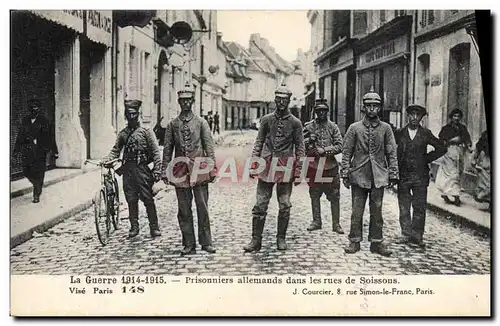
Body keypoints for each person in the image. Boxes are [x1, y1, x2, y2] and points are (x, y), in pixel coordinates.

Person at [243, 84, 305, 252]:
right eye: (278, 99)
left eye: (284, 99)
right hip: (266, 167)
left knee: (284, 204)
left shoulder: (296, 123)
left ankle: (281, 238)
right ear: (274, 100)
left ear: (289, 101)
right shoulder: (266, 120)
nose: (281, 102)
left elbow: (300, 149)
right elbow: (259, 142)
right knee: (260, 204)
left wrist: (298, 172)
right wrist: (254, 164)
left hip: (285, 168)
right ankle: (256, 240)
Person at [341, 87, 398, 257]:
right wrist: (345, 172)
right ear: (363, 108)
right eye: (369, 106)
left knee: (377, 211)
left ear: (380, 108)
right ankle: (354, 241)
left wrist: (393, 173)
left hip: (378, 176)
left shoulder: (386, 128)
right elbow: (346, 152)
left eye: (375, 106)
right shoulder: (354, 128)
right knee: (356, 211)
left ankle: (376, 242)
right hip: (359, 175)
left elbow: (391, 152)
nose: (372, 109)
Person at [161, 83, 217, 256]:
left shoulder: (201, 123)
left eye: (188, 100)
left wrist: (212, 167)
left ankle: (206, 242)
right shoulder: (172, 125)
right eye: (182, 100)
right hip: (180, 172)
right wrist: (164, 170)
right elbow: (167, 149)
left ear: (192, 101)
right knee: (183, 209)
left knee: (202, 207)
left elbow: (209, 147)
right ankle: (188, 243)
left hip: (199, 170)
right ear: (179, 102)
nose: (185, 103)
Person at [102, 99, 162, 238]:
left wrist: (157, 170)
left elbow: (155, 152)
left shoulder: (146, 132)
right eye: (129, 114)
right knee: (131, 199)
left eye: (134, 114)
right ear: (125, 115)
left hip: (142, 170)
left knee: (147, 198)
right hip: (128, 171)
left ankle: (154, 226)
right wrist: (106, 160)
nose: (131, 117)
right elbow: (115, 151)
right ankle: (134, 226)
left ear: (138, 114)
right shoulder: (123, 134)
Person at [394, 104, 446, 247]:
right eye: (412, 115)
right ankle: (405, 233)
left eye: (418, 116)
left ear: (421, 118)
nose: (415, 118)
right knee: (404, 206)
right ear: (408, 116)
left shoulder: (426, 133)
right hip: (403, 175)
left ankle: (417, 235)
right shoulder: (399, 133)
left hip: (420, 176)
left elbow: (441, 148)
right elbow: (390, 149)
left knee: (419, 206)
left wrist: (426, 159)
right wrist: (394, 167)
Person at [303, 98, 344, 234]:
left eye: (324, 111)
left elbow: (340, 145)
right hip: (314, 167)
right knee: (314, 193)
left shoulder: (333, 127)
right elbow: (300, 145)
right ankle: (316, 221)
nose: (321, 114)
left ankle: (336, 223)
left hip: (330, 167)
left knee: (335, 195)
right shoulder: (308, 127)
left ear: (327, 112)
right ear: (315, 112)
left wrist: (325, 150)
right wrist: (310, 140)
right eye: (319, 111)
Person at [13, 98, 58, 203]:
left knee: (39, 173)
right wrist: (16, 151)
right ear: (29, 110)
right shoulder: (25, 120)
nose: (33, 110)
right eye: (31, 108)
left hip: (40, 151)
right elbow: (20, 136)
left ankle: (36, 194)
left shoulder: (44, 121)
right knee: (26, 171)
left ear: (39, 109)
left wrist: (54, 151)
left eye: (35, 108)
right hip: (27, 151)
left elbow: (51, 137)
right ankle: (36, 184)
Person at [434, 109, 473, 206]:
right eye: (454, 116)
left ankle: (446, 193)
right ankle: (456, 197)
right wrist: (451, 140)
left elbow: (467, 139)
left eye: (458, 116)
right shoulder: (446, 128)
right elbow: (441, 141)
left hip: (460, 153)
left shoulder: (462, 128)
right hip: (449, 153)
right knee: (452, 174)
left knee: (458, 173)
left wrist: (468, 146)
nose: (456, 118)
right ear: (451, 117)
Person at [472, 130, 490, 208]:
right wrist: (474, 159)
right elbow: (478, 147)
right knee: (487, 183)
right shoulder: (485, 134)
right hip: (486, 161)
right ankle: (480, 195)